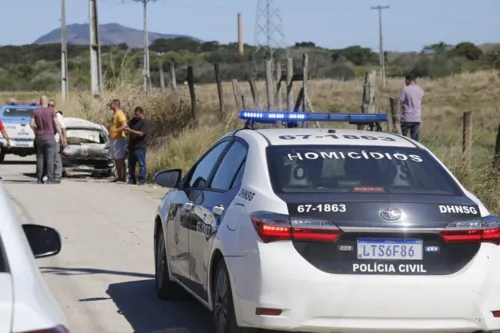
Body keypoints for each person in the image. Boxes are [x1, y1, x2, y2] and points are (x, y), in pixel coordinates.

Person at [30, 96, 66, 184]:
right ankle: (50, 178)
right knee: (50, 159)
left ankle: (39, 178)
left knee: (40, 158)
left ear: (40, 102)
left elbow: (31, 124)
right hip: (50, 137)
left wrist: (36, 131)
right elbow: (57, 124)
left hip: (40, 138)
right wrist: (61, 135)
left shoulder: (35, 111)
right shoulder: (52, 111)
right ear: (47, 103)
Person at [125, 106, 150, 185]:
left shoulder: (145, 122)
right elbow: (127, 126)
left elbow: (141, 133)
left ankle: (142, 180)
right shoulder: (133, 121)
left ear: (142, 114)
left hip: (140, 146)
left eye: (137, 115)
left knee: (141, 164)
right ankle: (132, 179)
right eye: (135, 115)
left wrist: (130, 130)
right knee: (131, 164)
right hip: (132, 146)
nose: (136, 116)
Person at [399, 74, 425, 142]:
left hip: (406, 117)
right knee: (415, 140)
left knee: (402, 138)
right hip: (417, 118)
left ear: (407, 80)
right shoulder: (421, 90)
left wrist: (399, 114)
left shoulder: (405, 90)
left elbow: (401, 102)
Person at [108, 99, 128, 182]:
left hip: (119, 139)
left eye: (111, 104)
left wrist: (115, 131)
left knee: (120, 158)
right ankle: (119, 176)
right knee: (116, 159)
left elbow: (124, 125)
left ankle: (123, 177)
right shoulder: (115, 114)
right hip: (113, 139)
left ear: (115, 105)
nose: (110, 105)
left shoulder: (120, 114)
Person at [49, 99, 66, 182]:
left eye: (52, 105)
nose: (50, 107)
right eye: (49, 105)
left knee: (56, 157)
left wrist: (64, 139)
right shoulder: (46, 114)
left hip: (56, 140)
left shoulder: (58, 115)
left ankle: (58, 175)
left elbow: (63, 128)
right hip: (47, 139)